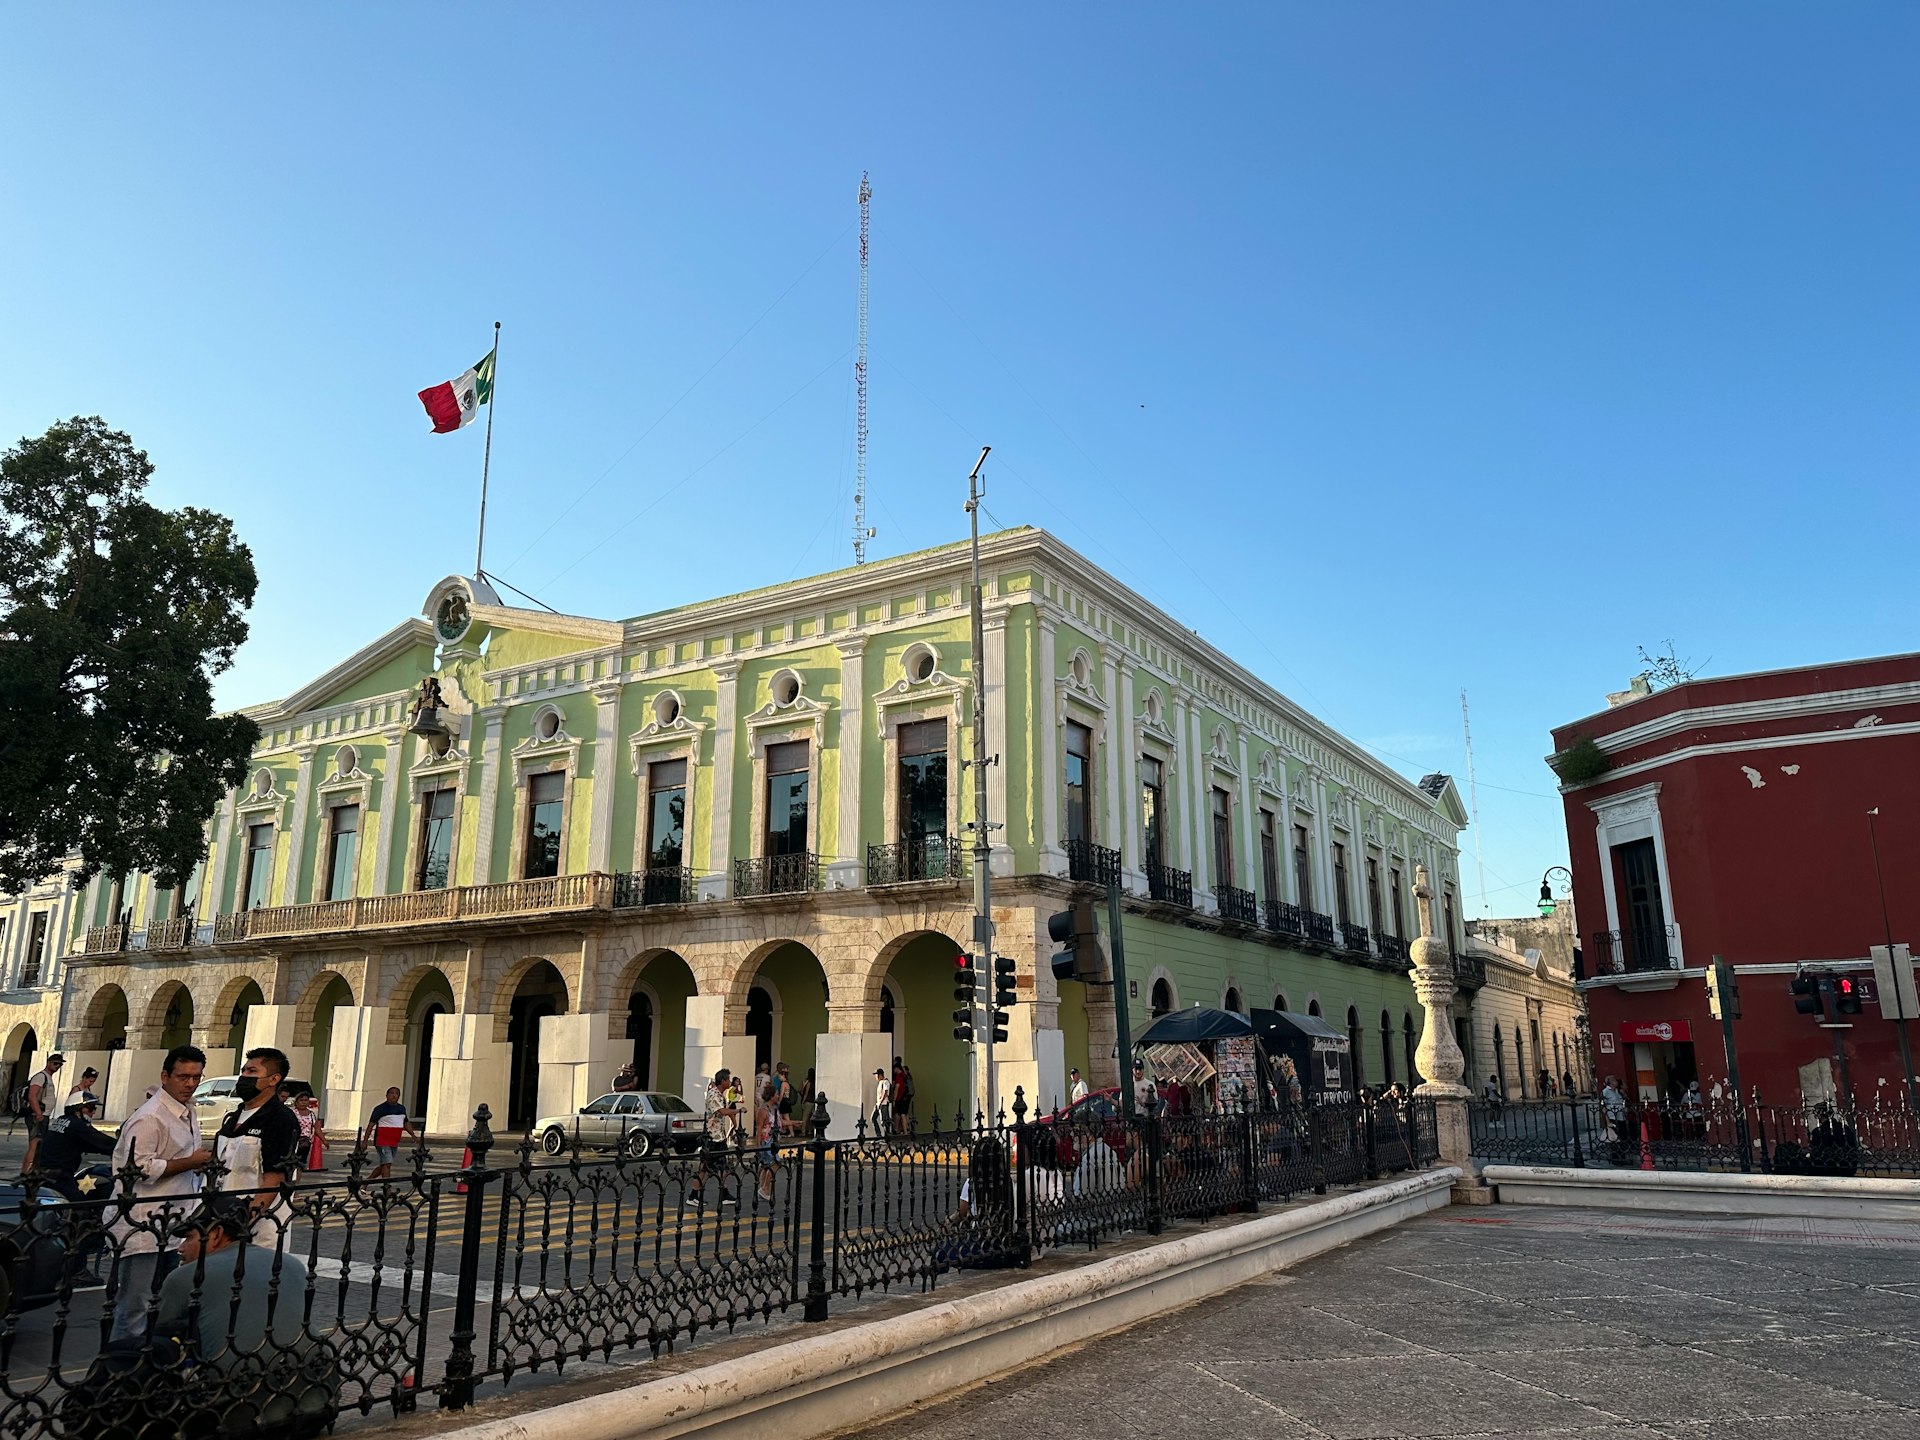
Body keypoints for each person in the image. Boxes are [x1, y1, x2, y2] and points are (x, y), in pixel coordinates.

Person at [107, 1045, 215, 1344]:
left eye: (196, 1077)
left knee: (163, 1300)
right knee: (136, 1306)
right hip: (143, 1224)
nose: (190, 1084)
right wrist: (190, 1162)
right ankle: (123, 1362)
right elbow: (137, 1168)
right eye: (183, 1077)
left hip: (173, 1221)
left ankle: (152, 1359)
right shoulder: (150, 1117)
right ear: (165, 1076)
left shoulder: (186, 1111)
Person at [211, 1048, 304, 1252]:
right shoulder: (234, 1117)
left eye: (252, 1071)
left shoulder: (280, 1119)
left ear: (273, 1079)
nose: (244, 1076)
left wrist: (243, 1223)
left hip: (256, 1229)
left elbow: (274, 1178)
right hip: (221, 1223)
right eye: (243, 1071)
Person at [40, 1090, 116, 1201]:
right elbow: (103, 1141)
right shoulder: (77, 1126)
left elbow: (90, 1144)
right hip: (60, 1179)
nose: (93, 1112)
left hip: (45, 1175)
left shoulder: (61, 1120)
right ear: (78, 1109)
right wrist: (123, 1146)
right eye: (91, 1108)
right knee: (79, 1205)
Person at [693, 1068, 739, 1209]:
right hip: (712, 1136)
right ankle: (693, 1194)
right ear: (723, 1081)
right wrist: (737, 1111)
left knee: (723, 1166)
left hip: (719, 1136)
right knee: (705, 1167)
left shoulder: (720, 1095)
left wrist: (734, 1122)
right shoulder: (713, 1094)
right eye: (728, 1079)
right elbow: (721, 1111)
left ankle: (724, 1194)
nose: (730, 1082)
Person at [19, 1052, 65, 1175]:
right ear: (49, 1063)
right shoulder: (40, 1077)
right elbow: (32, 1096)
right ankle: (26, 1172)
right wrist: (38, 1113)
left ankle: (33, 1171)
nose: (57, 1066)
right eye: (55, 1063)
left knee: (39, 1145)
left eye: (60, 1064)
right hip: (37, 1116)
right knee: (34, 1145)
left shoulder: (47, 1077)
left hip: (43, 1115)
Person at [360, 1087, 414, 1180]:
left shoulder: (401, 1108)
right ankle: (386, 1186)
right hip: (382, 1140)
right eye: (391, 1093)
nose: (394, 1095)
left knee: (385, 1165)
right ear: (387, 1095)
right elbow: (371, 1125)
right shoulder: (380, 1109)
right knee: (387, 1163)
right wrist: (365, 1141)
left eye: (396, 1093)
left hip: (394, 1140)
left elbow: (406, 1122)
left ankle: (367, 1182)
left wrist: (413, 1135)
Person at [294, 1093, 326, 1172]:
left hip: (306, 1142)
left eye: (306, 1100)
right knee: (293, 1162)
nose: (303, 1102)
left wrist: (324, 1141)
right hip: (295, 1141)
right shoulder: (293, 1113)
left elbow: (317, 1128)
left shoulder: (311, 1114)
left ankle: (299, 1174)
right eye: (301, 1100)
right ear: (296, 1102)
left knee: (301, 1162)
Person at [871, 1068, 892, 1134]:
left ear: (880, 1075)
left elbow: (885, 1092)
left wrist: (880, 1102)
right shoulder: (880, 1082)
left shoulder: (885, 1082)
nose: (876, 1077)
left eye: (876, 1075)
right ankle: (879, 1135)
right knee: (873, 1118)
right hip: (879, 1103)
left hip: (883, 1104)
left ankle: (887, 1135)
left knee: (884, 1121)